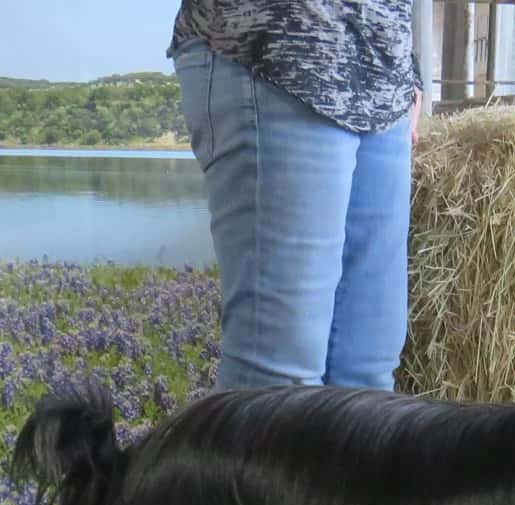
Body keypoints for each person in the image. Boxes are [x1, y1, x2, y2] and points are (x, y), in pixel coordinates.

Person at [169, 1, 424, 392]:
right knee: (277, 385)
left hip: (383, 68)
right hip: (274, 47)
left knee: (367, 375)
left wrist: (409, 68)